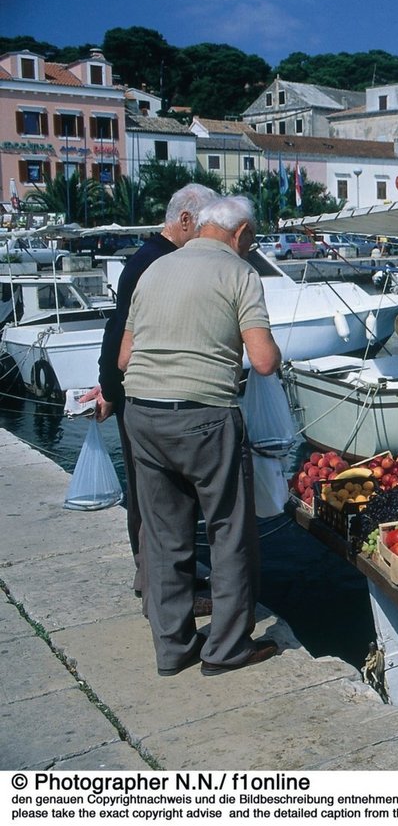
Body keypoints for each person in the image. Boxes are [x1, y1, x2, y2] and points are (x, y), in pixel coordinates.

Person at [119, 195, 282, 677]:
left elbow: (126, 358)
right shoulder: (240, 274)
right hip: (205, 415)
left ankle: (173, 649)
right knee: (229, 532)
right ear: (242, 233)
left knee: (165, 536)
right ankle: (226, 649)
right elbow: (265, 360)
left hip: (142, 414)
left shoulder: (155, 270)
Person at [81, 184, 217, 614]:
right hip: (143, 396)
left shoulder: (148, 259)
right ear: (185, 220)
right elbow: (121, 333)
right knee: (155, 500)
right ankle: (158, 587)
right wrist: (111, 390)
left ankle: (165, 579)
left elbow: (116, 328)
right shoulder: (155, 263)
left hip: (136, 394)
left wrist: (107, 387)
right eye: (206, 222)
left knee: (157, 497)